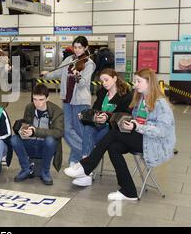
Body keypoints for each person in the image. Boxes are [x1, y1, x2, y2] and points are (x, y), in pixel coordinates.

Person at [64, 68, 176, 200]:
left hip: (153, 143)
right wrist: (128, 123)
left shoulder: (160, 103)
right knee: (113, 147)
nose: (135, 84)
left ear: (149, 82)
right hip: (139, 137)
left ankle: (86, 166)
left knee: (114, 133)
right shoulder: (140, 99)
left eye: (138, 81)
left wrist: (136, 126)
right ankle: (129, 191)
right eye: (135, 81)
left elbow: (161, 131)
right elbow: (133, 119)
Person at [72, 68, 133, 187]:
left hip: (113, 130)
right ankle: (85, 169)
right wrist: (91, 116)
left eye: (106, 80)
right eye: (102, 81)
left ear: (115, 78)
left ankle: (85, 170)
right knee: (88, 129)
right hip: (98, 127)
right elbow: (95, 110)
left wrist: (107, 118)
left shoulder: (126, 95)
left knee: (89, 138)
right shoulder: (102, 93)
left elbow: (125, 117)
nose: (104, 83)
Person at [41, 36, 95, 166]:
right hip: (67, 100)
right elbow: (58, 72)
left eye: (80, 47)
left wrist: (77, 76)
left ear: (86, 48)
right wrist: (47, 74)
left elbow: (82, 84)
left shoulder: (89, 64)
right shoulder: (69, 59)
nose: (77, 50)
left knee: (79, 131)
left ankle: (75, 160)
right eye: (75, 47)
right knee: (66, 130)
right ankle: (86, 154)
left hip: (81, 102)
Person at [11, 83, 64, 185]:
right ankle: (26, 169)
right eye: (34, 99)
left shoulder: (57, 111)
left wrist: (35, 131)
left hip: (45, 146)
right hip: (30, 143)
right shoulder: (29, 107)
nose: (37, 103)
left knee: (51, 140)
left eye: (41, 100)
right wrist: (21, 129)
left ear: (47, 98)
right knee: (14, 139)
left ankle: (45, 171)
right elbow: (26, 123)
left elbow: (59, 132)